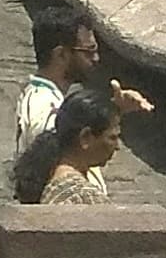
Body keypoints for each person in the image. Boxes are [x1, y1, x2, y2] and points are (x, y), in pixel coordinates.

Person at [14, 6, 153, 171]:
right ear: (61, 55)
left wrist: (114, 110)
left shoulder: (43, 97)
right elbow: (57, 169)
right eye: (89, 51)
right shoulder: (45, 109)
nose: (96, 58)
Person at [12, 67, 130, 206]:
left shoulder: (52, 179)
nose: (116, 147)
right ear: (85, 137)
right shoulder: (83, 198)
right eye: (112, 138)